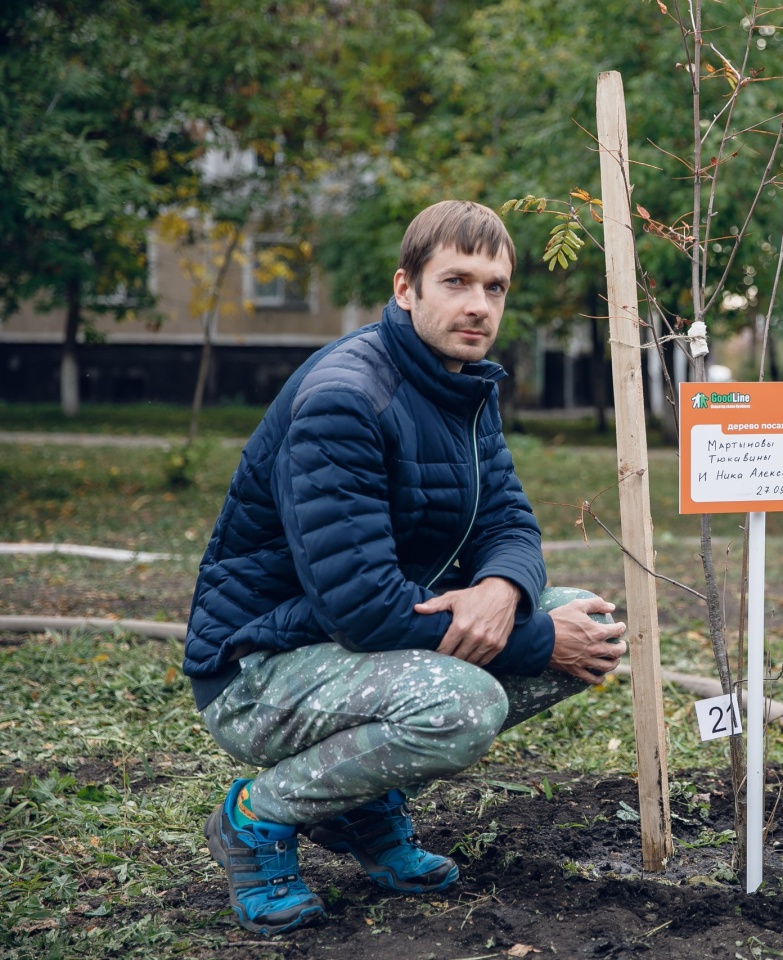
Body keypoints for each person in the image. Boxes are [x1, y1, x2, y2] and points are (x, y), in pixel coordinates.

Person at [183, 200, 629, 936]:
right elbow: (361, 608)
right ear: (405, 288)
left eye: (496, 287)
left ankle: (359, 806)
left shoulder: (462, 381)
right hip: (259, 670)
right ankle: (255, 819)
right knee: (464, 704)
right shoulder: (346, 400)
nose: (479, 305)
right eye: (456, 281)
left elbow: (510, 520)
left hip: (358, 645)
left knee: (592, 617)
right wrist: (535, 637)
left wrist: (501, 588)